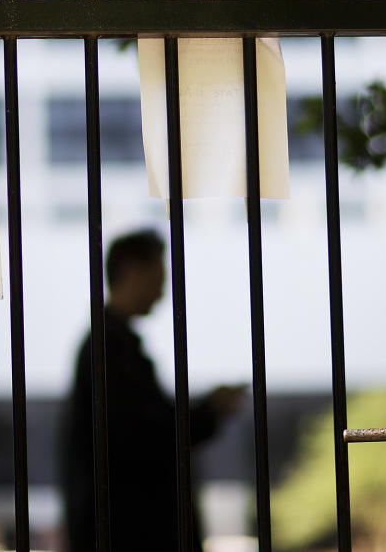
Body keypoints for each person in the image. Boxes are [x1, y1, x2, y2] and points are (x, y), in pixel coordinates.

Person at [59, 229, 243, 552]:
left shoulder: (108, 345)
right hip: (132, 530)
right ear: (132, 271)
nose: (162, 290)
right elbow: (144, 436)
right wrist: (208, 412)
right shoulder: (110, 349)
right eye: (159, 275)